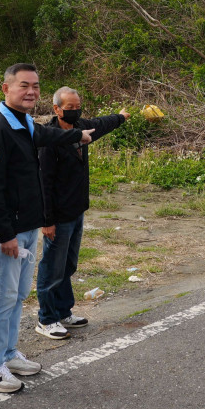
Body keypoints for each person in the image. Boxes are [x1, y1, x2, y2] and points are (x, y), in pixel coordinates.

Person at [0, 64, 93, 393]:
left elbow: (47, 135)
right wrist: (5, 234)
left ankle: (9, 354)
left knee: (18, 296)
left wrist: (77, 134)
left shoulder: (24, 122)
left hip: (28, 226)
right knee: (3, 297)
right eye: (24, 85)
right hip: (10, 232)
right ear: (6, 89)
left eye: (36, 86)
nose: (31, 92)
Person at [36, 87, 129, 339]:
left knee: (68, 264)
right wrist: (47, 220)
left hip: (77, 210)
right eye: (70, 107)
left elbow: (101, 124)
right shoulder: (49, 138)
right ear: (56, 109)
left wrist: (120, 117)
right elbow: (43, 183)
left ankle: (63, 311)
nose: (75, 111)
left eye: (78, 107)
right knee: (52, 266)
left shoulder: (81, 129)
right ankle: (46, 318)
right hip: (57, 215)